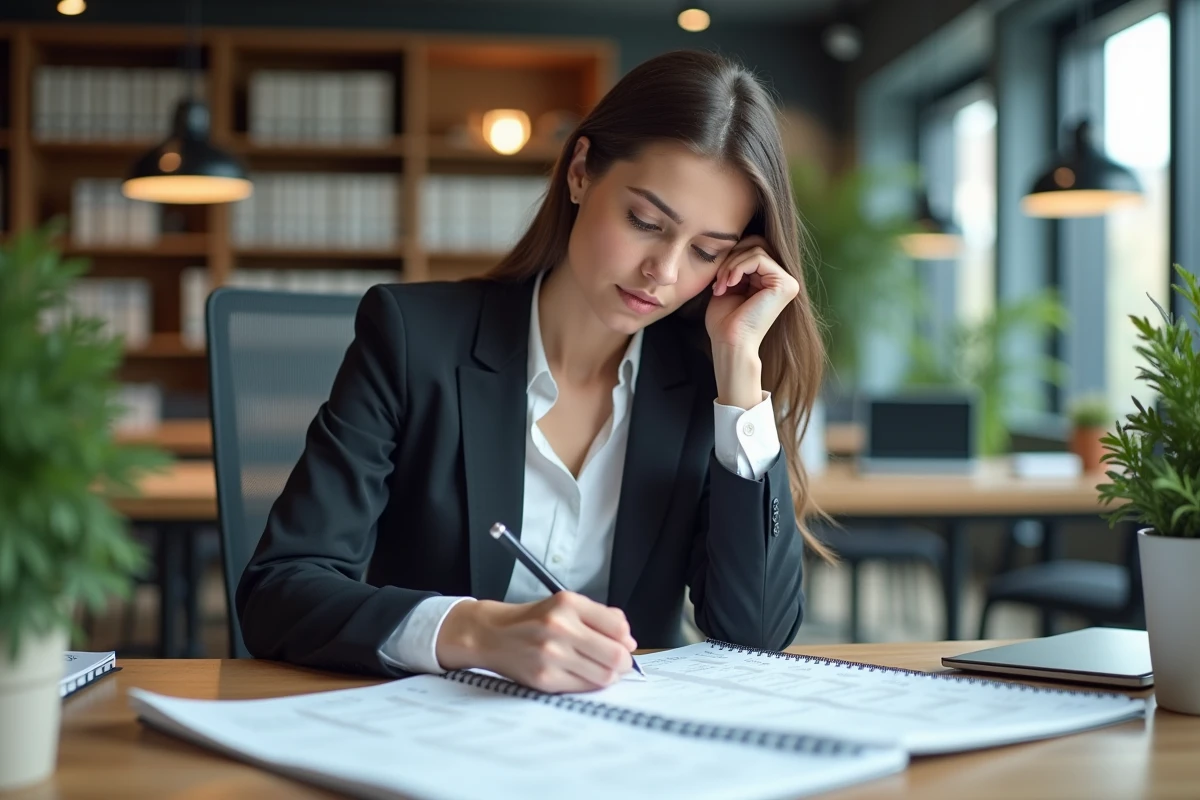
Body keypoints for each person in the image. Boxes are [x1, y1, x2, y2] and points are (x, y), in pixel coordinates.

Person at [237, 49, 830, 693]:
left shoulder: (704, 387)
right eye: (644, 222)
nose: (664, 271)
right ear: (580, 172)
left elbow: (759, 635)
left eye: (707, 251)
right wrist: (475, 631)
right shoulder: (414, 340)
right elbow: (280, 590)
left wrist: (740, 369)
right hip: (431, 737)